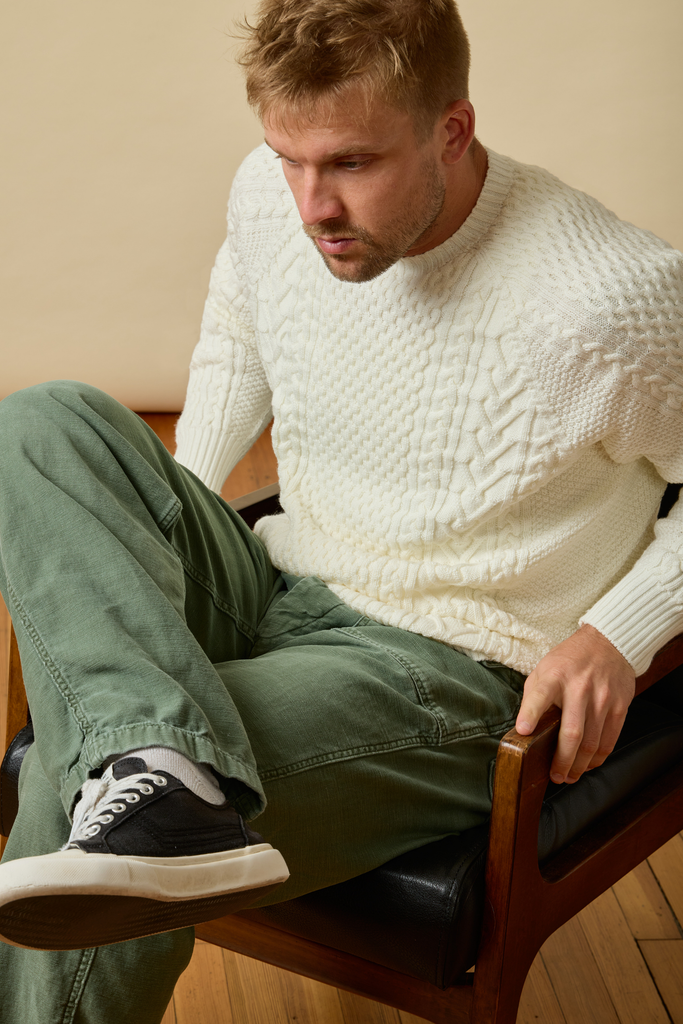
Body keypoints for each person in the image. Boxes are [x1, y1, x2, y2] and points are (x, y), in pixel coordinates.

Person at [1, 0, 682, 1020]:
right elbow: (242, 319)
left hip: (441, 666)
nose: (310, 202)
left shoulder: (603, 300)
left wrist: (614, 635)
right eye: (289, 159)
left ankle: (154, 782)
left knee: (72, 793)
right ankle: (158, 762)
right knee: (38, 423)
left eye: (352, 165)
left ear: (450, 129)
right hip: (278, 574)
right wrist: (166, 516)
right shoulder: (274, 197)